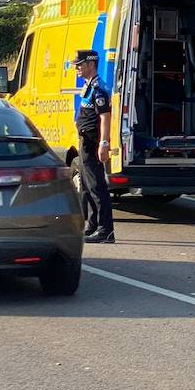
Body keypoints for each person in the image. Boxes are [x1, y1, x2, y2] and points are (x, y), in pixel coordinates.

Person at [73, 49, 115, 244]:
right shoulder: (88, 86)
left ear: (90, 65)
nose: (77, 68)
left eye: (80, 65)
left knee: (97, 187)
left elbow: (105, 117)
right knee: (86, 187)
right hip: (84, 142)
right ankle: (92, 225)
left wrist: (104, 144)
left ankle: (106, 230)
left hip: (93, 142)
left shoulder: (98, 88)